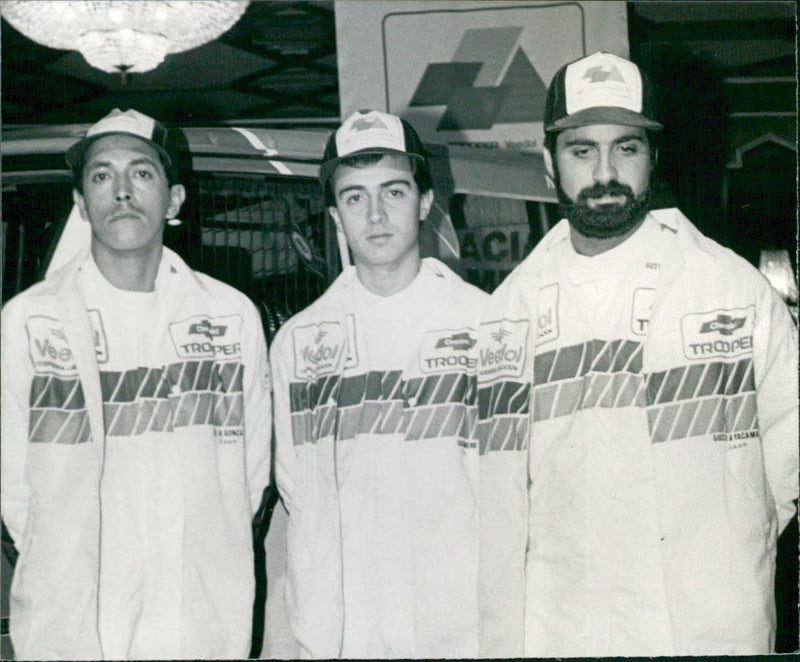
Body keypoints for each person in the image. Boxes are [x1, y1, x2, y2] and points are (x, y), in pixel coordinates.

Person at [475, 51, 799, 657]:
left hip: (706, 623)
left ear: (652, 158)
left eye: (626, 148)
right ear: (549, 164)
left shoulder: (730, 289)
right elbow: (491, 490)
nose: (605, 173)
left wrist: (731, 535)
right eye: (581, 150)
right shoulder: (507, 313)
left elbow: (789, 445)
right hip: (558, 627)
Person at [1, 108, 272, 660]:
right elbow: (14, 487)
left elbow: (248, 478)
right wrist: (68, 562)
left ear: (174, 200)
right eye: (101, 176)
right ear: (81, 203)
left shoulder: (229, 316)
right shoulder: (30, 320)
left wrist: (199, 554)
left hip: (199, 617)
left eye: (142, 173)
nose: (121, 191)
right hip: (75, 620)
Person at [269, 109, 486, 658]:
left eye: (394, 191)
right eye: (354, 197)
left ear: (426, 202)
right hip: (343, 630)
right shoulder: (298, 343)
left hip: (461, 626)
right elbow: (295, 490)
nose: (376, 214)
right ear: (336, 216)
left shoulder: (486, 325)